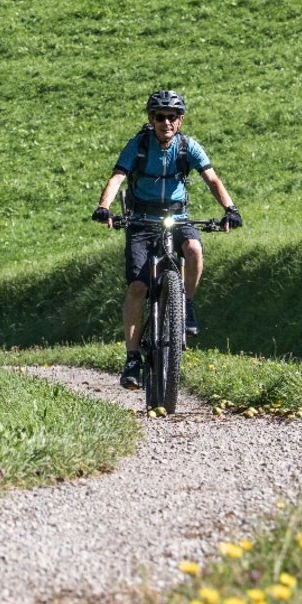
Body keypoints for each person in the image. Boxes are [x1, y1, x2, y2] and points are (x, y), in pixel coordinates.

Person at [92, 90, 241, 389]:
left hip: (178, 217)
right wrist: (104, 206)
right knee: (137, 286)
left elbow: (211, 178)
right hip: (141, 221)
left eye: (172, 117)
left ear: (180, 120)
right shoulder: (139, 145)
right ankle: (132, 358)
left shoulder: (188, 147)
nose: (166, 122)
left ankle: (185, 304)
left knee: (195, 249)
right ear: (151, 119)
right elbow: (118, 176)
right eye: (160, 117)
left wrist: (230, 209)